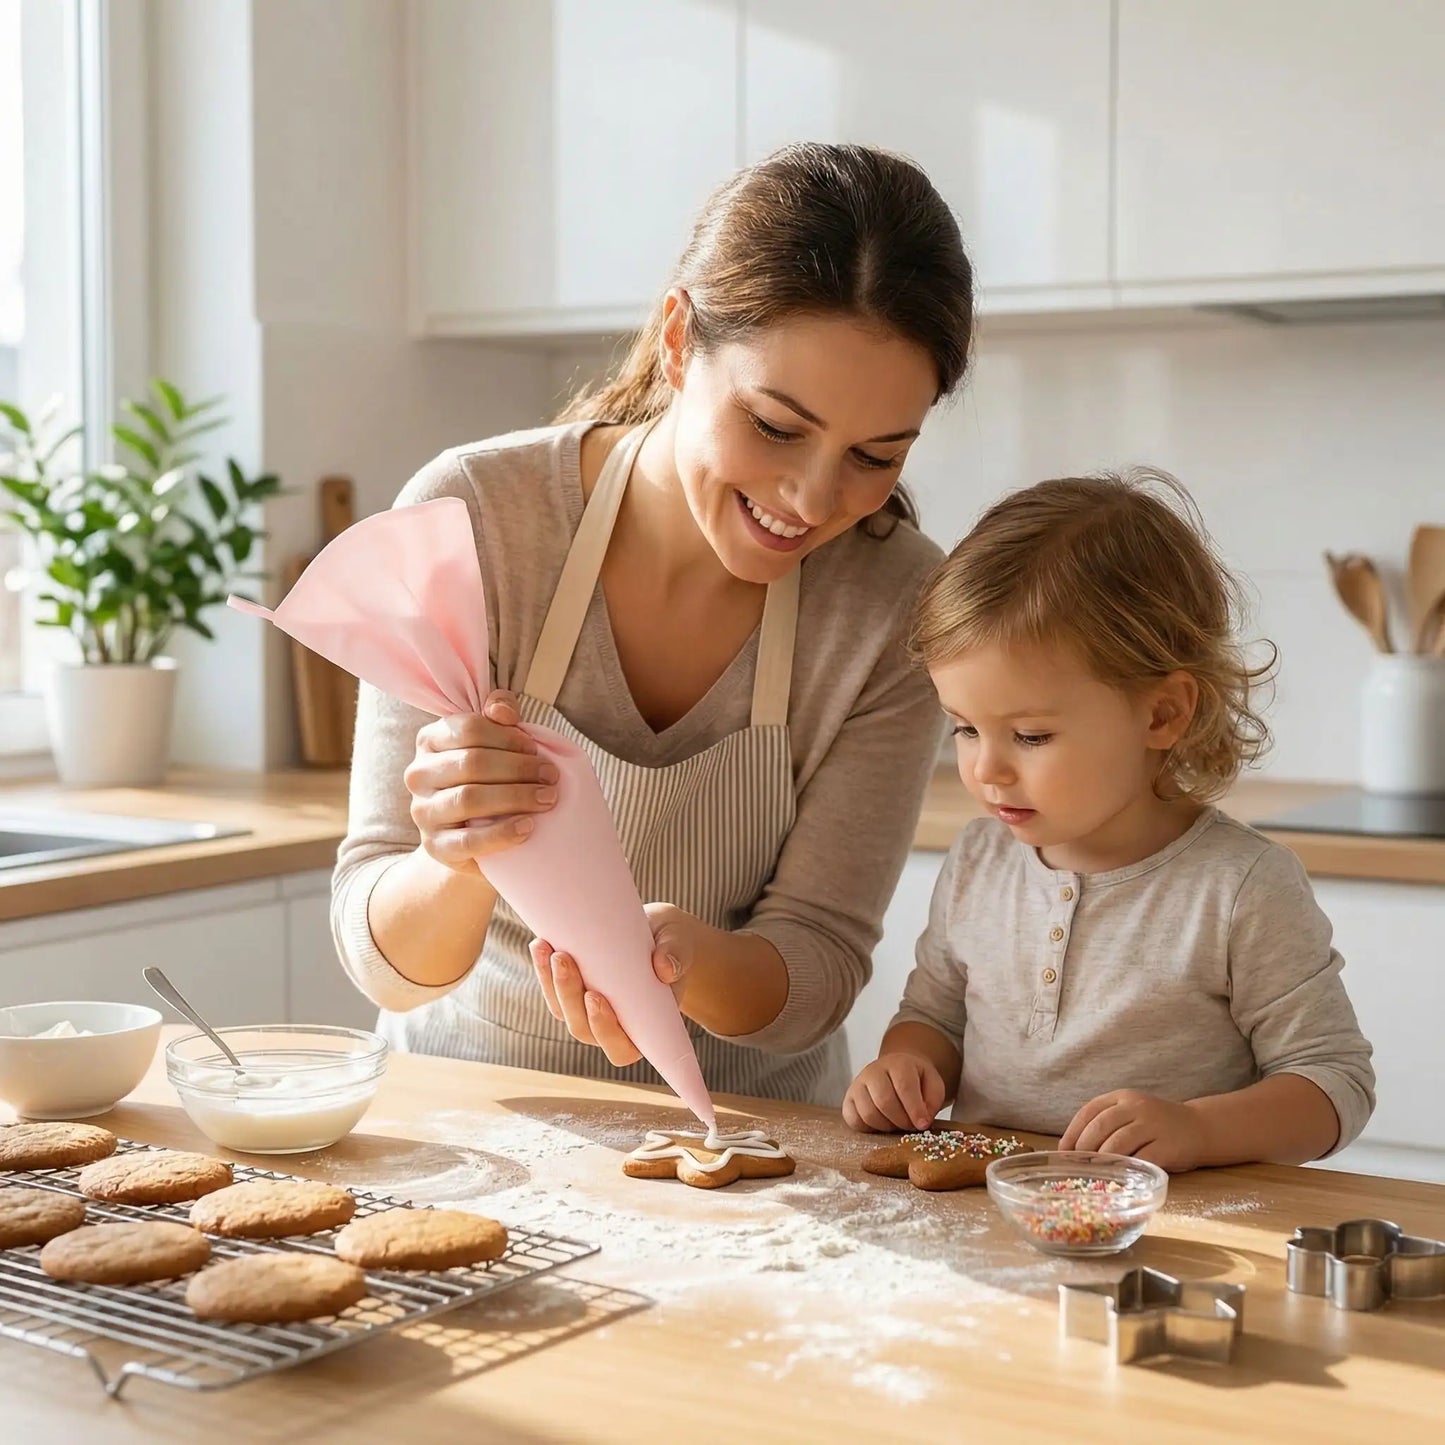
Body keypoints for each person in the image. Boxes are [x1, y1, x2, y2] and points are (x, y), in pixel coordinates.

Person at [331, 142, 974, 1105]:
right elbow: (380, 960)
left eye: (876, 455)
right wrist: (452, 854)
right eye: (774, 426)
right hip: (469, 1123)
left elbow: (823, 961)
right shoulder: (474, 517)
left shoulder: (890, 604)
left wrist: (684, 963)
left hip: (753, 1145)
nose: (810, 497)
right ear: (678, 341)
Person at [843, 470, 1376, 1168]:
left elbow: (1333, 1082)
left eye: (1030, 735)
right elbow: (934, 1016)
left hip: (1175, 1231)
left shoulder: (1240, 887)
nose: (986, 769)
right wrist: (906, 1066)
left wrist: (1199, 1129)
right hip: (994, 1216)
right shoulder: (979, 858)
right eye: (964, 728)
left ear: (1161, 712)